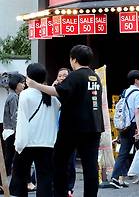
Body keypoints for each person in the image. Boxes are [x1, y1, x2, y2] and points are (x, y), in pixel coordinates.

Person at [26, 44, 104, 197]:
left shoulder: (75, 75)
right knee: (90, 166)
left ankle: (60, 193)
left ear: (73, 59)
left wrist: (36, 85)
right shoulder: (95, 77)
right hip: (94, 126)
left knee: (59, 162)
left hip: (73, 128)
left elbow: (57, 91)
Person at [10, 63, 61, 197]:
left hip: (28, 143)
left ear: (29, 77)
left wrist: (19, 144)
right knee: (45, 178)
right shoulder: (53, 97)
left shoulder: (25, 95)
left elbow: (22, 121)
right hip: (48, 143)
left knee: (21, 176)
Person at [110, 70, 139, 189]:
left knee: (123, 153)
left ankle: (117, 178)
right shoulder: (138, 93)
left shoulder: (126, 91)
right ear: (136, 80)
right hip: (134, 125)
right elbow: (137, 111)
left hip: (124, 126)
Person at [53, 68, 76, 197]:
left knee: (70, 162)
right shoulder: (52, 91)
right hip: (54, 132)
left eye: (64, 75)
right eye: (59, 75)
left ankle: (69, 188)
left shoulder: (72, 91)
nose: (62, 77)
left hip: (69, 131)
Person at [2, 73, 25, 176]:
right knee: (10, 156)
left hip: (9, 130)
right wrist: (19, 131)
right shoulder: (14, 97)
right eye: (22, 83)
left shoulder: (12, 96)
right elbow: (15, 116)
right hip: (12, 131)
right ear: (16, 84)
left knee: (10, 156)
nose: (24, 85)